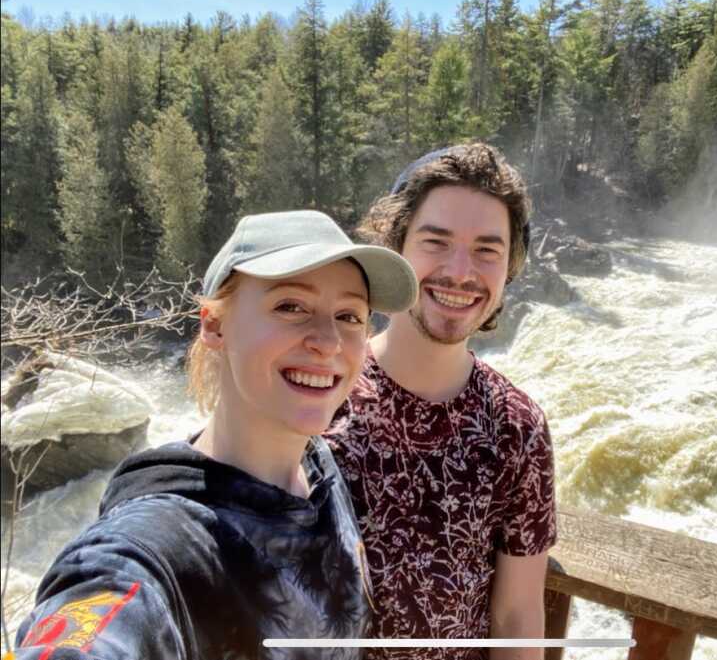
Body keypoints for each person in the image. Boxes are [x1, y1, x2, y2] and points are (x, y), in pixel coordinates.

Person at [12, 210, 418, 660]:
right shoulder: (159, 545)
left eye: (349, 315)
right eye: (291, 306)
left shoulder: (318, 465)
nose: (328, 341)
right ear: (213, 324)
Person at [323, 145, 556, 660]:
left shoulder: (518, 427)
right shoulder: (320, 390)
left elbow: (517, 615)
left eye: (487, 250)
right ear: (395, 245)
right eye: (436, 241)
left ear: (508, 269)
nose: (460, 271)